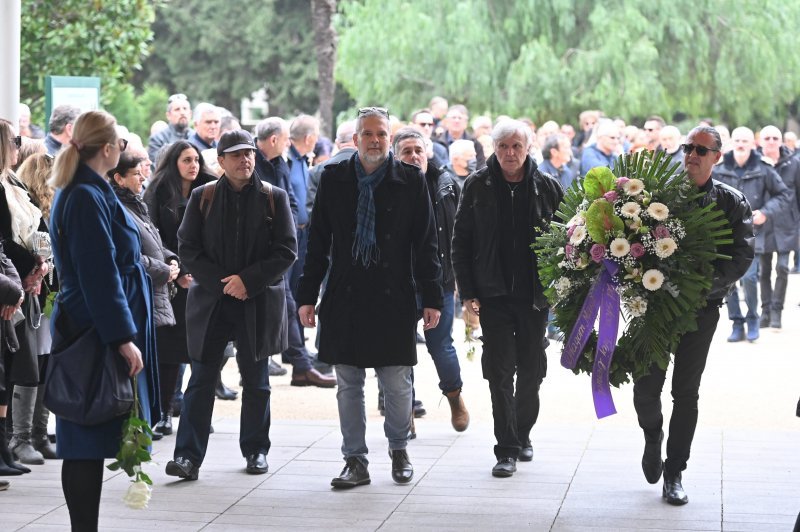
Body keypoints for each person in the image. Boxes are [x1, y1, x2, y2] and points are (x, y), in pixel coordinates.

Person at [297, 107, 442, 488]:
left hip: (392, 295)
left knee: (396, 382)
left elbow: (426, 244)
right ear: (356, 138)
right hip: (345, 294)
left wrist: (432, 297)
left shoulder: (410, 180)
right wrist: (306, 296)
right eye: (368, 134)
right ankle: (355, 460)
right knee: (348, 382)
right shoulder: (334, 177)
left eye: (381, 134)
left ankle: (398, 450)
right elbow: (318, 243)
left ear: (389, 139)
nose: (374, 140)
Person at [48, 110, 158, 530]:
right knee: (83, 439)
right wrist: (121, 338)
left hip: (95, 324)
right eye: (121, 144)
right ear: (108, 148)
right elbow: (99, 273)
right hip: (91, 329)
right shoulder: (84, 195)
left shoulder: (90, 190)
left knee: (88, 438)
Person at [633, 126, 754, 505]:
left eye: (701, 149)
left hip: (700, 311)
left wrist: (703, 288)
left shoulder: (732, 202)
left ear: (717, 156)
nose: (692, 154)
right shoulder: (659, 196)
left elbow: (742, 256)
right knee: (645, 388)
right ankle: (653, 437)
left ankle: (675, 472)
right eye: (688, 147)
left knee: (685, 393)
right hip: (654, 307)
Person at [166, 130, 296, 480]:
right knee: (202, 378)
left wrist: (248, 281)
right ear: (220, 161)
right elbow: (188, 248)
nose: (245, 160)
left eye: (249, 153)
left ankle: (256, 450)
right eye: (236, 155)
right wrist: (225, 283)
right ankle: (187, 458)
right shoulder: (202, 197)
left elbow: (287, 250)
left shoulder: (274, 197)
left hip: (256, 301)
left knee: (256, 379)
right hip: (213, 301)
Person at [451, 119, 563, 478]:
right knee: (499, 372)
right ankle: (507, 448)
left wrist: (561, 289)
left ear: (528, 147)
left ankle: (523, 432)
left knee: (531, 370)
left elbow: (568, 242)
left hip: (534, 296)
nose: (510, 153)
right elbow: (461, 242)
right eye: (503, 147)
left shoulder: (547, 187)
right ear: (493, 149)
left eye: (516, 146)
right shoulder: (477, 185)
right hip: (493, 295)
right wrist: (468, 291)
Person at [392, 127, 469, 432]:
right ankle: (404, 412)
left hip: (439, 281)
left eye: (417, 150)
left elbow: (462, 237)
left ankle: (454, 398)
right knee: (398, 349)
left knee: (441, 346)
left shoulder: (446, 185)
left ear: (428, 153)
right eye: (406, 151)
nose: (413, 156)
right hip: (397, 282)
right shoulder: (387, 186)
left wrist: (464, 284)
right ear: (395, 156)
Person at [144, 141, 217, 431]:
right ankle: (163, 411)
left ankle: (195, 411)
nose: (193, 165)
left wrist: (199, 271)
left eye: (197, 159)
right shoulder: (159, 192)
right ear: (174, 162)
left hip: (205, 279)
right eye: (187, 160)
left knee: (205, 350)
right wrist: (179, 270)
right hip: (172, 281)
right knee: (170, 352)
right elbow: (153, 237)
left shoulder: (211, 189)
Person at [110, 151, 180, 433]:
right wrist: (164, 270)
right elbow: (128, 255)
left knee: (157, 359)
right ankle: (135, 425)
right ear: (119, 177)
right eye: (137, 174)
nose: (142, 179)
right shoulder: (117, 207)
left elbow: (153, 240)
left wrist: (172, 259)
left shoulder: (136, 204)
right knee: (137, 363)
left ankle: (148, 419)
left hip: (155, 289)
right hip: (140, 292)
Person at [0, 120, 53, 467]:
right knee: (9, 369)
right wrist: (25, 272)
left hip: (22, 282)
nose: (19, 146)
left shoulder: (12, 181)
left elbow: (36, 230)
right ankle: (15, 440)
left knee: (14, 368)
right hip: (12, 281)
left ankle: (11, 444)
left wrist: (40, 262)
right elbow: (4, 240)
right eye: (14, 141)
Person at [712, 126, 789, 342]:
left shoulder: (763, 168)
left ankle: (753, 318)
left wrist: (765, 212)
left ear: (752, 144)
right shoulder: (718, 169)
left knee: (749, 277)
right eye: (737, 140)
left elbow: (783, 194)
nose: (740, 144)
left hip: (752, 234)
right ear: (731, 143)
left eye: (745, 140)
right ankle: (737, 322)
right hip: (725, 234)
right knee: (728, 280)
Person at [0, 123, 28, 481]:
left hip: (9, 285)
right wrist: (11, 289)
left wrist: (14, 287)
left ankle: (3, 448)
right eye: (12, 142)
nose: (17, 148)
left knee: (5, 374)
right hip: (6, 287)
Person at [756, 125, 799, 329]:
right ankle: (765, 311)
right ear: (761, 141)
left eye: (775, 137)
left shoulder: (794, 163)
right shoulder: (754, 163)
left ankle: (776, 310)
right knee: (764, 270)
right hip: (762, 223)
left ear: (781, 140)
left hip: (787, 224)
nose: (771, 141)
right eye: (767, 138)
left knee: (782, 267)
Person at [148, 93, 193, 168]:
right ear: (168, 115)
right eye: (177, 109)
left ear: (190, 114)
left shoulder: (197, 136)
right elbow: (157, 167)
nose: (182, 112)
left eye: (185, 108)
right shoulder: (157, 139)